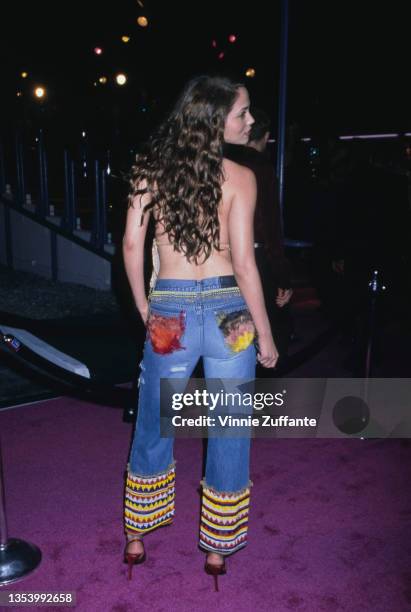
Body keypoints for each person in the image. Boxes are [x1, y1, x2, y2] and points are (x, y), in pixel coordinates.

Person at [122, 75, 278, 589]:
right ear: (214, 120)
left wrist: (147, 306)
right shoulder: (242, 177)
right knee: (231, 428)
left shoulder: (149, 170)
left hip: (170, 311)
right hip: (230, 311)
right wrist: (267, 337)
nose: (251, 121)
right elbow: (245, 266)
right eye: (242, 114)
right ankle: (217, 548)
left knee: (154, 421)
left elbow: (129, 246)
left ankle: (138, 534)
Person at [224, 108, 293, 369]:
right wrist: (282, 276)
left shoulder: (219, 164)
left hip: (220, 263)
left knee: (234, 339)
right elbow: (270, 226)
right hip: (255, 261)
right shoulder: (260, 170)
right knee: (266, 341)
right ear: (264, 137)